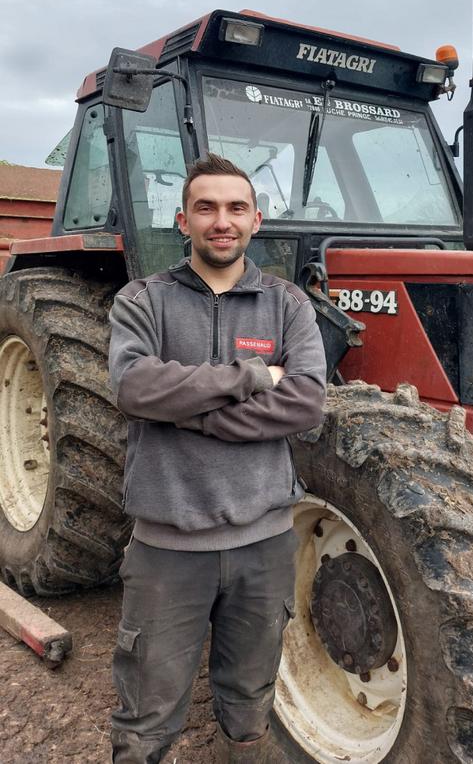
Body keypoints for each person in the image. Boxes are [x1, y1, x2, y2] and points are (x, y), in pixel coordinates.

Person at [108, 152, 327, 764]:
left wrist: (185, 411)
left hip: (265, 544)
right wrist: (252, 375)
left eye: (235, 208)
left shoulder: (289, 305)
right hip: (168, 550)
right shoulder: (141, 302)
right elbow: (133, 389)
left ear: (257, 220)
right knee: (146, 714)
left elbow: (306, 403)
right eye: (206, 208)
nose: (221, 221)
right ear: (183, 220)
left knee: (249, 701)